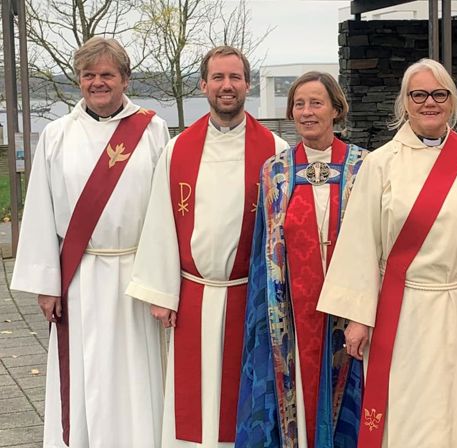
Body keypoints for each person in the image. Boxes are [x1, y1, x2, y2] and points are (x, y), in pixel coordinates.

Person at [317, 58, 457, 448]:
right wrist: (358, 319)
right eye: (418, 95)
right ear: (405, 103)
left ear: (452, 102)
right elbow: (360, 242)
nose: (429, 103)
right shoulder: (380, 164)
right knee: (412, 412)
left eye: (439, 94)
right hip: (404, 311)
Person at [126, 45, 289, 447]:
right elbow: (161, 220)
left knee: (243, 403)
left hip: (249, 297)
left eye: (235, 77)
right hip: (194, 293)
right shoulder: (178, 149)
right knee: (193, 411)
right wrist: (162, 293)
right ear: (203, 85)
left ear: (248, 85)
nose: (226, 86)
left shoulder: (275, 152)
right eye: (218, 77)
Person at [10, 36, 169, 447]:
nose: (98, 82)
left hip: (137, 274)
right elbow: (41, 209)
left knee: (136, 374)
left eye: (107, 74)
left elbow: (166, 212)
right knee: (85, 372)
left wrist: (164, 283)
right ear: (79, 80)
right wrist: (47, 284)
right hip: (80, 276)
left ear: (125, 79)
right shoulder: (57, 135)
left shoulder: (153, 131)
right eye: (88, 75)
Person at [236, 72, 366, 447]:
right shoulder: (275, 172)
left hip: (347, 311)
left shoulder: (363, 167)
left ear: (336, 109)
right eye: (299, 104)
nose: (307, 112)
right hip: (290, 313)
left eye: (316, 103)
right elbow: (263, 252)